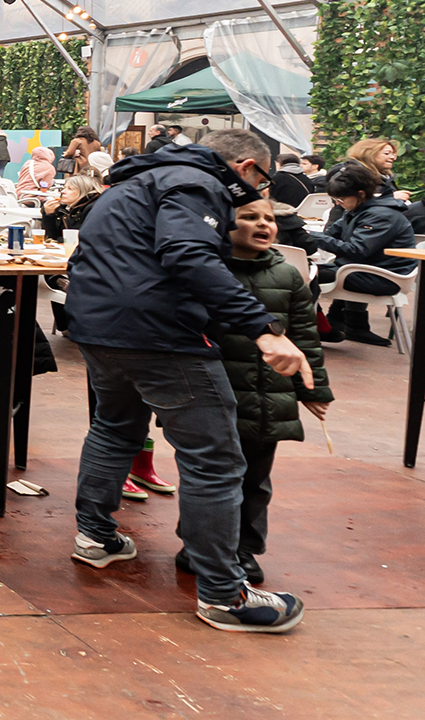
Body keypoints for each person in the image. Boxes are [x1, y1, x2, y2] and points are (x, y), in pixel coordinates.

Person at [66, 128, 311, 633]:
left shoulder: (137, 183)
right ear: (246, 167)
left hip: (97, 326)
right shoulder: (197, 183)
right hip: (158, 334)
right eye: (262, 182)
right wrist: (264, 329)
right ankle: (225, 595)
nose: (260, 195)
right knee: (215, 458)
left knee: (115, 427)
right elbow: (188, 254)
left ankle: (95, 536)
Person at [183, 197, 330, 586]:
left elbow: (305, 337)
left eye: (269, 218)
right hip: (217, 392)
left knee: (255, 480)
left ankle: (244, 549)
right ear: (224, 227)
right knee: (209, 475)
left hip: (270, 399)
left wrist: (313, 388)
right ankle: (197, 544)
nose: (263, 224)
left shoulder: (289, 276)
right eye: (249, 217)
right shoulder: (207, 272)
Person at [308, 160, 417, 347]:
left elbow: (357, 250)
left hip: (385, 277)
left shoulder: (381, 215)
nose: (338, 204)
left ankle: (316, 327)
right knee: (306, 271)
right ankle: (326, 324)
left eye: (341, 200)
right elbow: (330, 235)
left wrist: (312, 236)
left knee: (304, 276)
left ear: (360, 194)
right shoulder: (357, 210)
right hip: (366, 269)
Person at [344, 137, 409, 202]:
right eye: (386, 153)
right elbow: (351, 202)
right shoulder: (353, 175)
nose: (393, 157)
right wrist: (390, 197)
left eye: (393, 154)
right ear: (369, 155)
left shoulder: (385, 178)